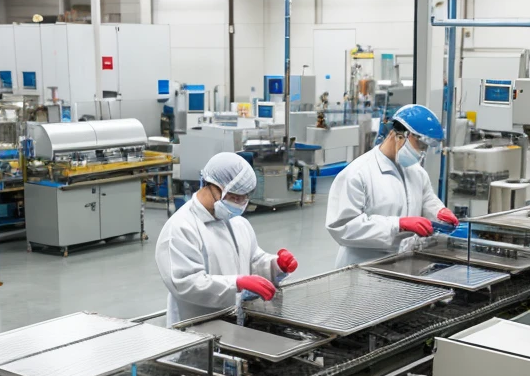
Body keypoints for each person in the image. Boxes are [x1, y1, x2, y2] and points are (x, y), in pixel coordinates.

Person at [156, 152, 298, 325]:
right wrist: (236, 284)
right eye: (233, 197)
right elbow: (186, 283)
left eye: (244, 198)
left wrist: (276, 265)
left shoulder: (238, 223)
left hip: (234, 324)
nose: (239, 203)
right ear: (209, 185)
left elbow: (252, 261)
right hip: (194, 329)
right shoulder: (181, 228)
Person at [325, 104, 458, 268]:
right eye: (421, 145)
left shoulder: (416, 172)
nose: (422, 153)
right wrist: (398, 225)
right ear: (401, 135)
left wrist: (439, 212)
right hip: (363, 271)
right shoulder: (357, 173)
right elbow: (342, 227)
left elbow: (427, 199)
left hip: (401, 266)